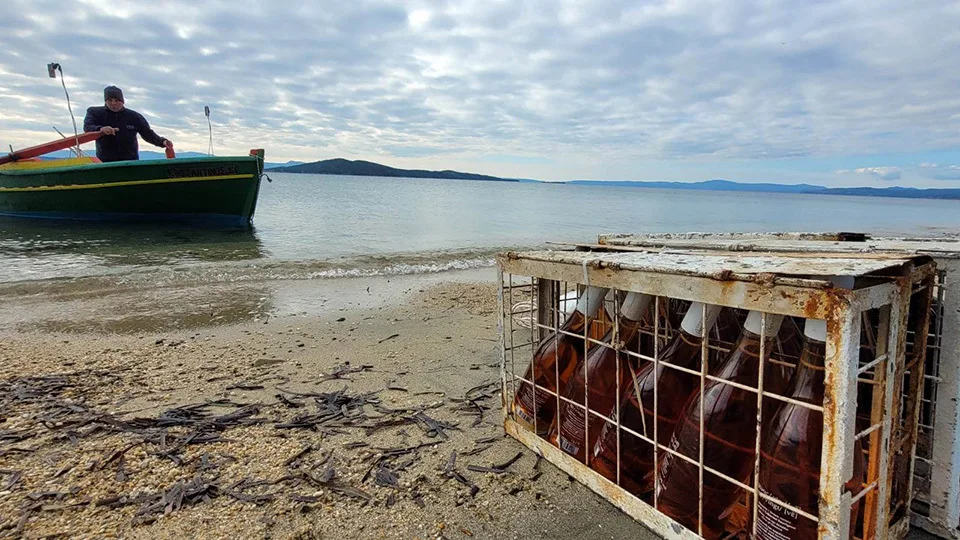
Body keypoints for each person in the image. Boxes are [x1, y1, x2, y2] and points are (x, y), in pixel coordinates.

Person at [83, 86, 173, 162]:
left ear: (122, 101)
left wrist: (163, 142)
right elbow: (87, 127)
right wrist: (100, 129)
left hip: (130, 162)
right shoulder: (95, 113)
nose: (113, 103)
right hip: (105, 163)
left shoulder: (134, 116)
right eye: (110, 100)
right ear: (105, 101)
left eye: (116, 100)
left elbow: (148, 134)